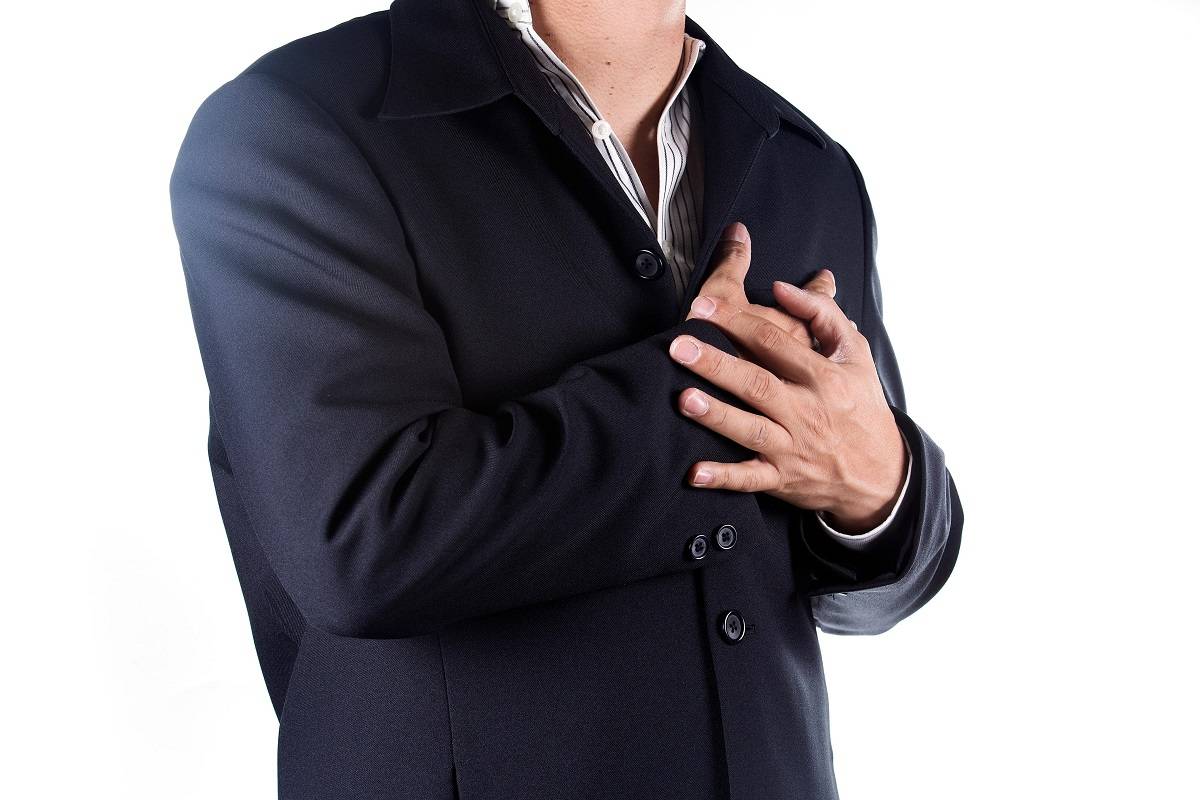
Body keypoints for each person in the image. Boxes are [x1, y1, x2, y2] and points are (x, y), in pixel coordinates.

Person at [168, 1, 963, 798]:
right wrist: (715, 387)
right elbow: (359, 546)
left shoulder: (810, 166)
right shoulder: (295, 125)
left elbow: (863, 584)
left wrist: (883, 485)